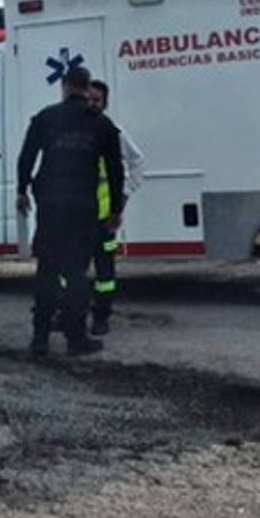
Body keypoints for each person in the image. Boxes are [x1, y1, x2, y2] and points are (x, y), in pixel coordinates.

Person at [16, 66, 124, 356]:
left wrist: (21, 190)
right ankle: (76, 339)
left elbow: (26, 156)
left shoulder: (45, 118)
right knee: (76, 272)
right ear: (88, 88)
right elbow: (116, 170)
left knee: (47, 271)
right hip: (82, 207)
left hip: (50, 205)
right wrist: (115, 209)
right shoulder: (100, 124)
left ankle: (39, 339)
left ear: (63, 86)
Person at [86, 80, 145, 336]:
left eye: (97, 100)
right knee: (70, 271)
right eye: (88, 99)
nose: (92, 104)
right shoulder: (74, 129)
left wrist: (124, 196)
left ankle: (101, 317)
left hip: (104, 217)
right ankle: (68, 313)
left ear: (105, 103)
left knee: (104, 273)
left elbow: (137, 162)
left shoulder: (112, 131)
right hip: (77, 215)